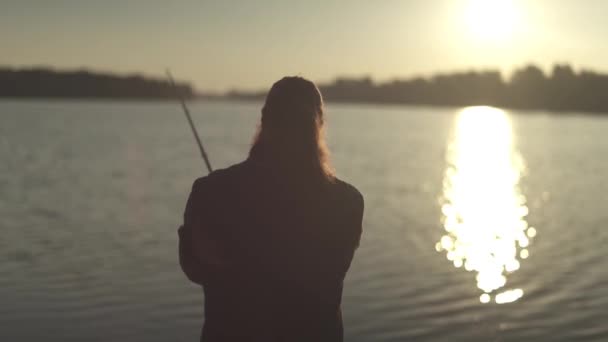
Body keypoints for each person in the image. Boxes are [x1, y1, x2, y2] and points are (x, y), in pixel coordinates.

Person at [178, 76, 364, 341]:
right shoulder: (349, 203)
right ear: (319, 123)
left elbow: (193, 267)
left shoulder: (210, 191)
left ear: (264, 119)